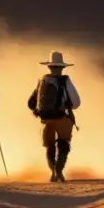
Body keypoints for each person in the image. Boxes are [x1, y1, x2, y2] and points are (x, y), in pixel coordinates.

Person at [28, 51, 81, 182]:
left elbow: (30, 103)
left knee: (49, 146)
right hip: (61, 117)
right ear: (62, 67)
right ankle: (59, 170)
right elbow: (76, 103)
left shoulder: (42, 81)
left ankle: (52, 171)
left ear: (49, 67)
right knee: (63, 144)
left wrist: (38, 110)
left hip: (45, 119)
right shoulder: (65, 81)